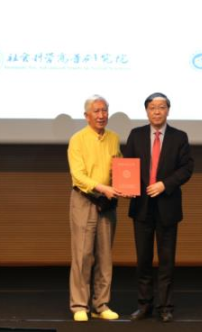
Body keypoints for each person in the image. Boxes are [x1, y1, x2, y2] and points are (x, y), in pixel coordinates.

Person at [123, 92, 194, 323]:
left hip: (167, 205)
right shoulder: (136, 135)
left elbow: (186, 168)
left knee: (166, 261)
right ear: (146, 111)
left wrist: (165, 184)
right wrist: (126, 187)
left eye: (161, 107)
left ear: (168, 110)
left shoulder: (179, 137)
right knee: (143, 260)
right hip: (142, 206)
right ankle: (144, 305)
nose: (157, 111)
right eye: (152, 107)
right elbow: (127, 166)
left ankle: (165, 306)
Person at [67, 94, 125, 322]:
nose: (101, 115)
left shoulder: (113, 138)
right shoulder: (77, 139)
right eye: (97, 111)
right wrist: (102, 188)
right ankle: (79, 305)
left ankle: (101, 305)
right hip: (85, 200)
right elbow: (78, 175)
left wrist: (123, 184)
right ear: (87, 116)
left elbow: (119, 167)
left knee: (105, 256)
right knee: (83, 255)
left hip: (108, 202)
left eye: (104, 111)